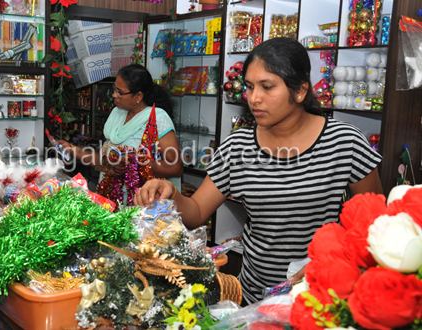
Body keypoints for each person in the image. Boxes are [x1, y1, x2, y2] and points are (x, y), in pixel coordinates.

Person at [134, 37, 383, 304]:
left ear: (299, 91)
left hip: (322, 294)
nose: (254, 98)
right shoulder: (238, 147)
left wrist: (333, 261)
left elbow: (376, 223)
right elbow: (195, 214)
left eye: (267, 87)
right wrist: (170, 193)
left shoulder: (344, 142)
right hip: (255, 299)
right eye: (250, 87)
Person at [58, 64, 183, 205]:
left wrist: (135, 164)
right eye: (114, 90)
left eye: (120, 92)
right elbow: (105, 162)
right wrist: (73, 149)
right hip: (111, 197)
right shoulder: (117, 113)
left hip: (143, 203)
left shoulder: (158, 118)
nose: (113, 95)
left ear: (138, 96)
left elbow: (176, 168)